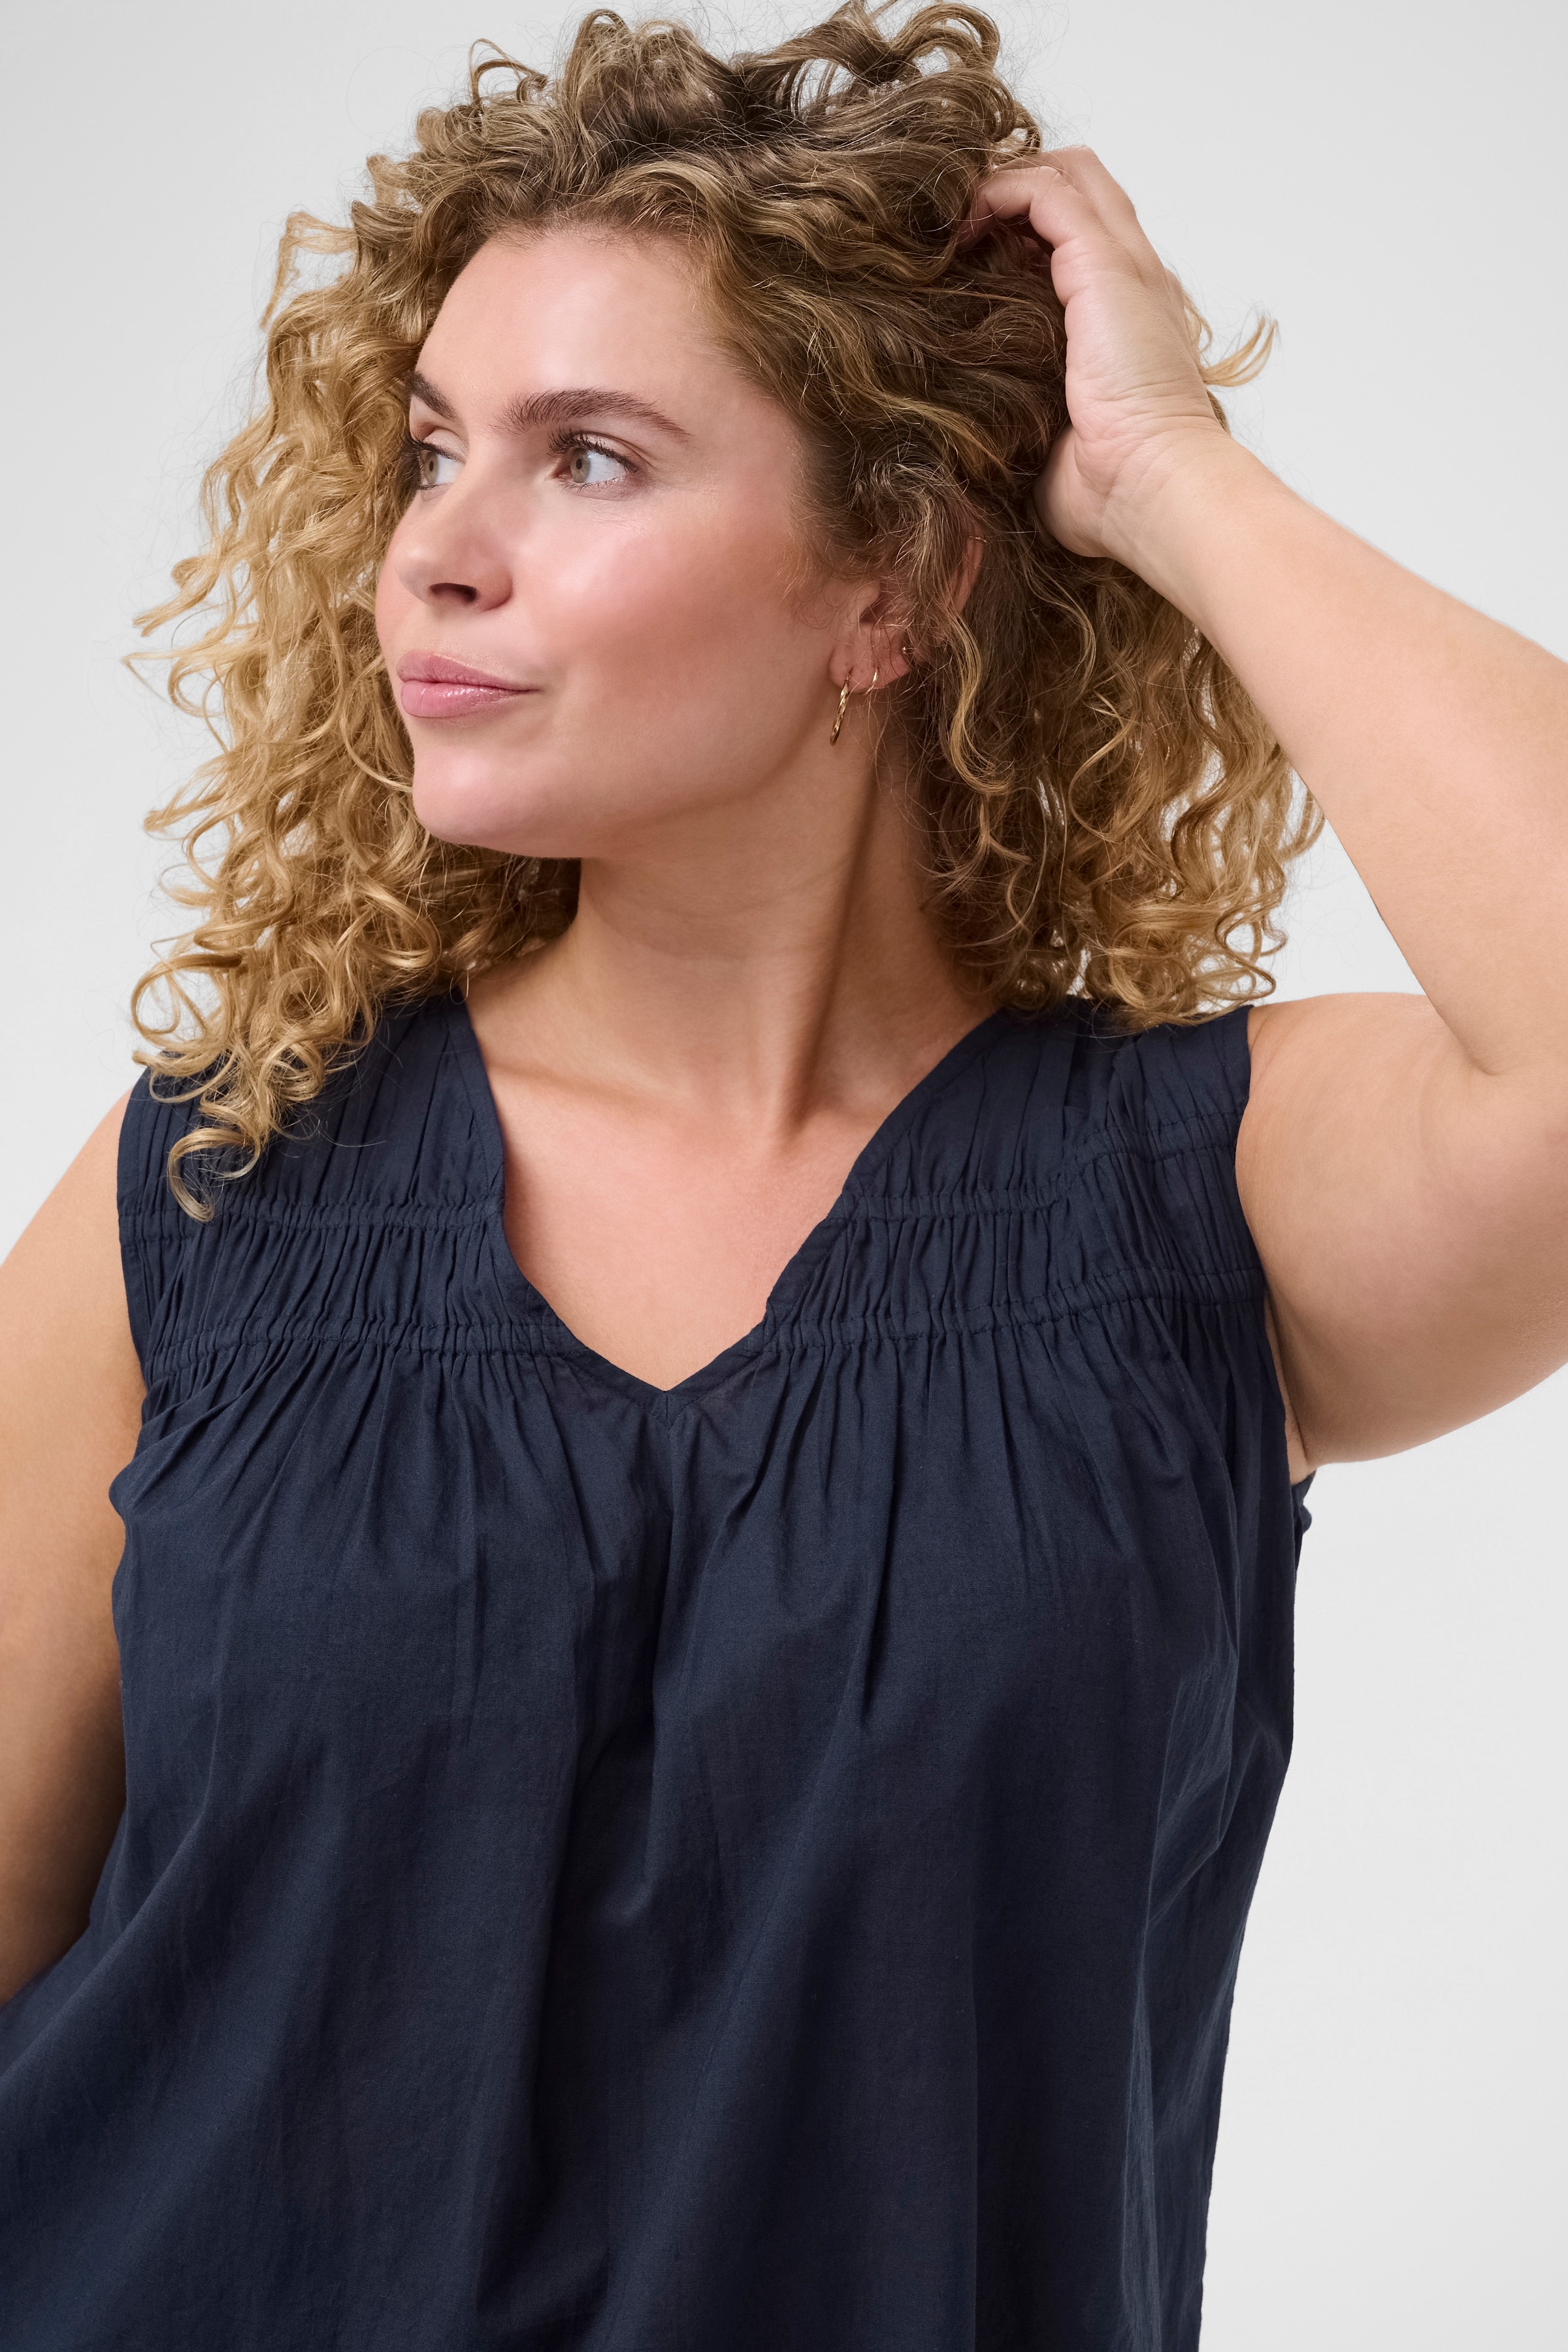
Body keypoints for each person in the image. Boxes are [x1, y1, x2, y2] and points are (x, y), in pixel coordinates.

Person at [1, 2, 1562, 2343]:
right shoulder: (214, 1196)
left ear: (893, 582)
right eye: (431, 451)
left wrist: (1170, 473)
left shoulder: (1196, 1201)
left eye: (588, 459)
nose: (436, 555)